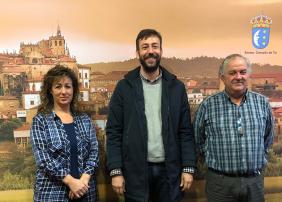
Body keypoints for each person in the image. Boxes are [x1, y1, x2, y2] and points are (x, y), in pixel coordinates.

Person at [106, 29, 196, 202]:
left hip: (170, 172)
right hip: (135, 172)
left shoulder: (176, 88)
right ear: (137, 52)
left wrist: (188, 167)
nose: (150, 51)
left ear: (161, 51)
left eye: (155, 46)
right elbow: (114, 132)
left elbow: (185, 131)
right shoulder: (124, 88)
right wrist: (116, 170)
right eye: (145, 47)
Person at [194, 54, 274, 202]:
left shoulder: (262, 103)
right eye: (232, 73)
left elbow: (268, 139)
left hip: (254, 183)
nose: (238, 77)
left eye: (243, 72)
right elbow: (198, 141)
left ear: (248, 75)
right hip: (220, 184)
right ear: (222, 77)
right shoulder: (208, 106)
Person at [30, 65, 99, 201]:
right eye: (58, 86)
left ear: (74, 90)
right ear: (50, 90)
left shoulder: (85, 119)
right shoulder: (40, 121)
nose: (63, 91)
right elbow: (43, 159)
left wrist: (83, 180)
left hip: (86, 192)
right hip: (52, 193)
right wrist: (71, 182)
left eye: (68, 86)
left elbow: (94, 152)